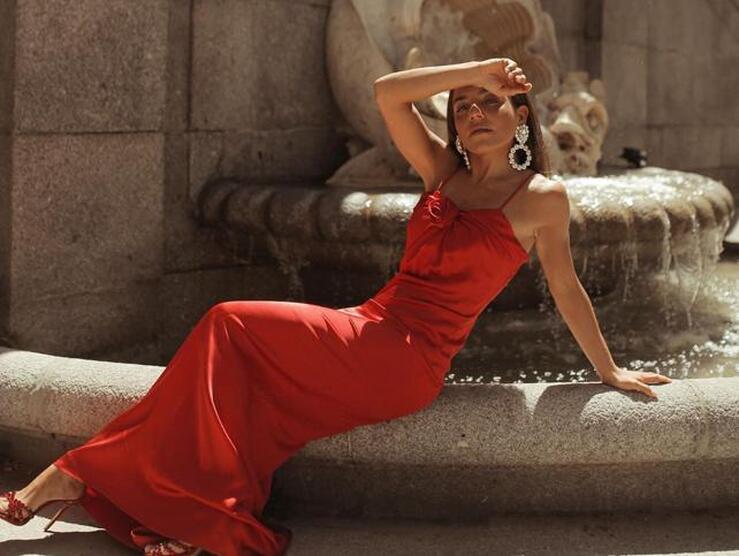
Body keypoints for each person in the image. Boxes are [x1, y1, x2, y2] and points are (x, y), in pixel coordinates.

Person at [1, 58, 672, 555]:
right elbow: (386, 92)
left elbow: (566, 287)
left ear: (521, 116)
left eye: (490, 103)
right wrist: (472, 70)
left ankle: (79, 476)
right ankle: (180, 509)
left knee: (229, 322)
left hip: (408, 358)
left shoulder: (541, 197)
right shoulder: (443, 171)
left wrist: (608, 370)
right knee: (238, 366)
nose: (474, 112)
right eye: (464, 105)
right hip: (370, 324)